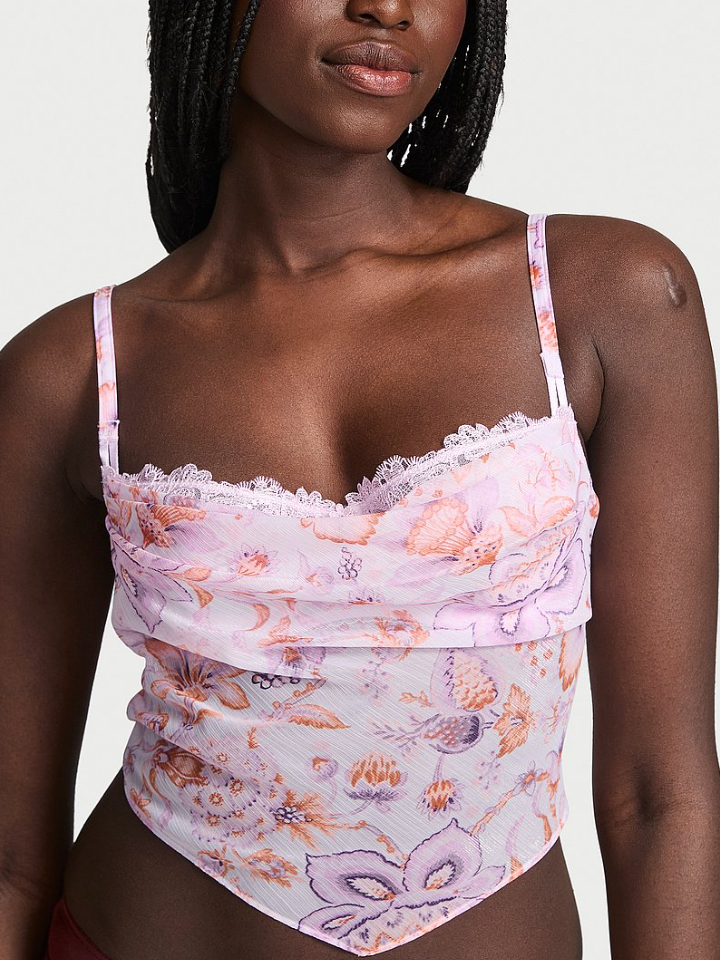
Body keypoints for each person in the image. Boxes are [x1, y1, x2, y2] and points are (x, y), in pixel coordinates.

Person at [1, 1, 719, 958]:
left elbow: (659, 793)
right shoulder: (72, 372)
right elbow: (12, 857)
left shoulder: (602, 296)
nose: (389, 6)